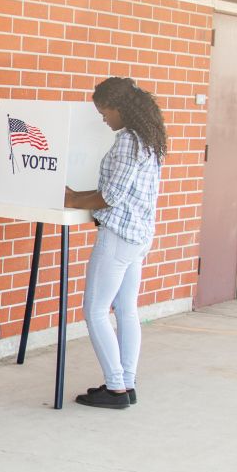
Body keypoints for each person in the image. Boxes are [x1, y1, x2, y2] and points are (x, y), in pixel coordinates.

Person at [64, 76, 167, 410]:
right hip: (138, 236)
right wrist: (77, 196)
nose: (103, 118)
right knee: (125, 309)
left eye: (104, 111)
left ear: (119, 107)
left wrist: (71, 199)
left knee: (95, 310)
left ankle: (115, 388)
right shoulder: (148, 140)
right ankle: (127, 383)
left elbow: (110, 196)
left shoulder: (127, 143)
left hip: (118, 237)